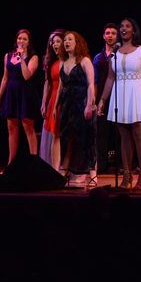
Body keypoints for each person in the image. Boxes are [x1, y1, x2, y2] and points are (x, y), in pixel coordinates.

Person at [97, 18, 141, 189]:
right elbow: (110, 78)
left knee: (139, 135)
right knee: (124, 136)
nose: (124, 29)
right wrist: (102, 100)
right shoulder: (114, 53)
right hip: (120, 94)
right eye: (121, 26)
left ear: (134, 31)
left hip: (138, 92)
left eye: (127, 26)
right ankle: (126, 175)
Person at [52, 31, 97, 186]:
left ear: (77, 42)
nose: (66, 42)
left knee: (86, 138)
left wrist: (89, 105)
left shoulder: (84, 60)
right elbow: (60, 87)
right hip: (67, 104)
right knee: (66, 138)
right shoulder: (63, 62)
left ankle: (92, 173)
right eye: (65, 40)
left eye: (70, 39)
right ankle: (63, 171)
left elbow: (91, 84)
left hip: (82, 101)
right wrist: (55, 106)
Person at [0, 29, 40, 165]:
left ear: (29, 42)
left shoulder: (33, 58)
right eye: (19, 38)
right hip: (11, 93)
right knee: (12, 129)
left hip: (25, 93)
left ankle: (34, 163)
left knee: (28, 128)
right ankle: (11, 164)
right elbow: (5, 78)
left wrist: (22, 59)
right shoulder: (8, 56)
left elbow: (27, 76)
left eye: (25, 39)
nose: (21, 41)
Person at [93, 23, 119, 174]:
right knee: (101, 133)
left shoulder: (122, 55)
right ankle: (101, 165)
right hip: (103, 98)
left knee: (119, 132)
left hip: (119, 97)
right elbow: (95, 81)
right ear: (103, 36)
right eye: (107, 33)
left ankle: (121, 165)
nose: (110, 36)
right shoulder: (98, 57)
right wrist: (95, 102)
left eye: (113, 33)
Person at [39, 30, 65, 171]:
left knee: (68, 136)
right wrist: (44, 104)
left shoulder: (70, 60)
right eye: (53, 42)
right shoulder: (50, 61)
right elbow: (47, 83)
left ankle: (68, 169)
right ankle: (55, 170)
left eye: (58, 41)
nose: (55, 44)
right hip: (54, 99)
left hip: (67, 100)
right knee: (55, 135)